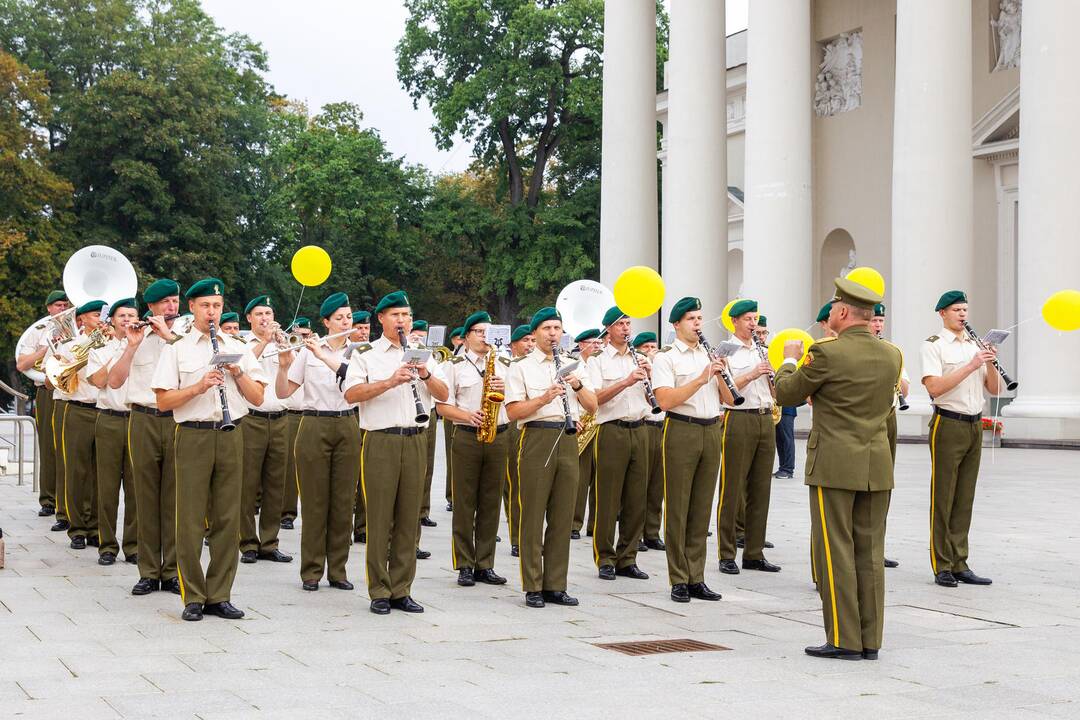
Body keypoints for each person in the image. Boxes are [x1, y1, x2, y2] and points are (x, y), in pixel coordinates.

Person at [774, 277, 902, 661]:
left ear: (843, 312)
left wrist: (789, 359)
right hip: (875, 463)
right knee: (870, 553)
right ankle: (870, 639)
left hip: (834, 463)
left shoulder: (825, 353)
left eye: (833, 307)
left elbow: (786, 392)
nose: (829, 312)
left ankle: (844, 639)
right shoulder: (892, 354)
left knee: (835, 552)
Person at [153, 278, 268, 622]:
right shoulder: (177, 349)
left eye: (217, 306)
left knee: (228, 517)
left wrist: (237, 372)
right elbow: (162, 401)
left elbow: (258, 397)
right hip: (193, 434)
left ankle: (220, 594)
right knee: (188, 518)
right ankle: (193, 595)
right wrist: (198, 386)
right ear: (193, 308)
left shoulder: (239, 346)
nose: (212, 312)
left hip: (232, 433)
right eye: (205, 306)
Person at [344, 290, 448, 615]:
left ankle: (402, 589)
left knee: (409, 517)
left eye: (406, 315)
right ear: (381, 319)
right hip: (381, 440)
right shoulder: (366, 354)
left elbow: (444, 395)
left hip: (416, 438)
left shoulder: (424, 354)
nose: (402, 321)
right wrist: (390, 381)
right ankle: (379, 589)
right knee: (379, 516)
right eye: (395, 315)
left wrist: (426, 374)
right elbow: (351, 394)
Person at [505, 307, 597, 608]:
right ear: (535, 333)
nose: (553, 334)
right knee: (532, 514)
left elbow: (593, 405)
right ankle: (533, 584)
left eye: (557, 328)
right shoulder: (520, 367)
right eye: (547, 328)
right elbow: (513, 412)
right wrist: (545, 397)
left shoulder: (572, 364)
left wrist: (578, 385)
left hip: (567, 437)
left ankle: (556, 584)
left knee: (562, 514)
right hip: (537, 436)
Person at [277, 292, 359, 591]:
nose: (346, 322)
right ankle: (311, 570)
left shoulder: (360, 352)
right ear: (326, 322)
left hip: (348, 422)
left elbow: (355, 382)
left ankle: (338, 570)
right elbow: (285, 392)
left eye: (348, 316)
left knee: (342, 501)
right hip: (314, 422)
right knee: (314, 501)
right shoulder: (308, 351)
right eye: (339, 318)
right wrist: (284, 365)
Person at [651, 297, 729, 604]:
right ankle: (678, 578)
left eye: (699, 318)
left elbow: (729, 399)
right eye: (691, 319)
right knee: (679, 507)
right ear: (676, 325)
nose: (698, 324)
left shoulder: (709, 354)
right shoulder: (666, 358)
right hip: (681, 428)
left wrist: (722, 375)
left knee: (701, 507)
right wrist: (701, 378)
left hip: (711, 428)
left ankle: (697, 576)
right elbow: (666, 400)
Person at [109, 279, 184, 596]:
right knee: (144, 497)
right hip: (142, 418)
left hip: (178, 418)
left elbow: (200, 367)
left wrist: (170, 339)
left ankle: (172, 571)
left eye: (175, 301)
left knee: (175, 499)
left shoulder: (184, 336)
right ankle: (148, 571)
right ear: (151, 307)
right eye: (165, 302)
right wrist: (131, 346)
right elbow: (114, 381)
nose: (171, 307)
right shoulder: (134, 335)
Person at [921, 290, 1000, 589]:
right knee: (943, 496)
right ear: (942, 313)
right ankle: (941, 564)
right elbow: (935, 388)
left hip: (974, 424)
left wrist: (990, 362)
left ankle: (960, 561)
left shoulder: (975, 346)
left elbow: (993, 389)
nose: (963, 315)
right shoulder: (934, 346)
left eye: (965, 309)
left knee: (965, 496)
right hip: (948, 422)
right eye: (956, 310)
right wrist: (971, 364)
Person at [436, 311, 510, 587]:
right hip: (467, 435)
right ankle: (465, 563)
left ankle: (485, 563)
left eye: (488, 332)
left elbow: (516, 402)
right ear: (466, 336)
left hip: (498, 434)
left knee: (491, 502)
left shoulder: (504, 362)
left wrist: (505, 387)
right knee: (465, 502)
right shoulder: (454, 365)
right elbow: (442, 406)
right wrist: (467, 416)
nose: (484, 336)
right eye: (479, 331)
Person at [587, 307, 652, 581]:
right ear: (608, 329)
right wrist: (626, 381)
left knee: (637, 498)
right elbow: (595, 398)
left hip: (640, 428)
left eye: (628, 323)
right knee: (608, 497)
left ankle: (628, 557)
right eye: (620, 324)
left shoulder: (640, 357)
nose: (626, 329)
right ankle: (605, 557)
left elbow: (654, 399)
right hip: (611, 430)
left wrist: (650, 376)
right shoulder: (597, 359)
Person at [716, 300, 780, 575]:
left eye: (755, 319)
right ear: (734, 322)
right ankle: (727, 553)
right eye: (747, 319)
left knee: (760, 488)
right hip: (739, 417)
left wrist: (773, 378)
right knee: (732, 488)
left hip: (766, 417)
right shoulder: (725, 351)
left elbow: (775, 392)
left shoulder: (764, 350)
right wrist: (753, 373)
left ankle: (754, 552)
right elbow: (725, 392)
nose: (753, 324)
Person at [239, 295, 293, 565]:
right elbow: (247, 366)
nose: (265, 319)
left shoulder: (281, 340)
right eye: (259, 314)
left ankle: (270, 542)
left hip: (281, 417)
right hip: (252, 419)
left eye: (269, 314)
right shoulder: (243, 344)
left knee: (276, 484)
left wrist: (286, 352)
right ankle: (248, 542)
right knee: (247, 483)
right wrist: (263, 341)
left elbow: (291, 375)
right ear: (249, 318)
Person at [86, 298, 139, 566]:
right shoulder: (100, 347)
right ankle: (107, 545)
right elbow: (98, 381)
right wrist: (123, 350)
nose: (128, 320)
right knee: (106, 486)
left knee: (136, 488)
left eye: (132, 315)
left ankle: (133, 545)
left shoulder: (145, 346)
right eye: (122, 316)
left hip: (137, 420)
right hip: (108, 418)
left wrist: (134, 346)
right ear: (113, 320)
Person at [55, 299, 107, 550]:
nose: (100, 319)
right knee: (77, 471)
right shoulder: (70, 345)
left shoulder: (112, 342)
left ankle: (96, 527)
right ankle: (77, 528)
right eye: (96, 315)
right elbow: (59, 379)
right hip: (78, 408)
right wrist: (87, 354)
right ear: (83, 319)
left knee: (102, 473)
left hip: (105, 411)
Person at [16, 289, 72, 518]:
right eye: (58, 305)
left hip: (72, 390)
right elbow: (22, 364)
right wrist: (46, 348)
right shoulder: (38, 331)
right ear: (48, 308)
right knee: (49, 446)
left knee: (69, 448)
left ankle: (67, 501)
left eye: (65, 305)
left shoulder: (76, 329)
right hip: (47, 391)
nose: (62, 309)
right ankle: (48, 499)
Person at [871, 303, 908, 569]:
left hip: (889, 416)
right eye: (874, 320)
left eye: (881, 320)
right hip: (867, 417)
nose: (878, 325)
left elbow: (904, 386)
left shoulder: (892, 351)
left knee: (884, 484)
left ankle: (877, 546)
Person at [632, 332, 666, 552]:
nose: (651, 350)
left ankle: (652, 532)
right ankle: (634, 535)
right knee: (639, 485)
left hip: (663, 426)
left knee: (657, 484)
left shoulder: (661, 367)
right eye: (646, 347)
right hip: (644, 426)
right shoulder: (635, 368)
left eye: (654, 346)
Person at [504, 324, 535, 558]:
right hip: (512, 426)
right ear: (513, 345)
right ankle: (516, 537)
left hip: (535, 427)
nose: (530, 345)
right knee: (515, 484)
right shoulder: (508, 366)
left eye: (532, 340)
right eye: (525, 341)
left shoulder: (537, 365)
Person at [281, 317, 312, 531]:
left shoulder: (315, 350)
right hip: (292, 413)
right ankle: (287, 513)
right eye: (299, 334)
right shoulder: (287, 348)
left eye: (306, 335)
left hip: (312, 414)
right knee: (290, 467)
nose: (302, 338)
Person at [572, 327, 602, 540]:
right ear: (581, 344)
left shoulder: (600, 363)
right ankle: (574, 523)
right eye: (594, 343)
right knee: (580, 478)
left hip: (600, 422)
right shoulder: (573, 365)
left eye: (600, 343)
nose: (598, 346)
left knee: (600, 479)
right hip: (581, 422)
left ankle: (595, 524)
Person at [411, 319, 439, 541]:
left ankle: (422, 511)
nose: (418, 338)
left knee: (425, 469)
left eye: (422, 335)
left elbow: (442, 391)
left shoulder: (427, 354)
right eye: (416, 334)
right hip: (396, 420)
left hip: (426, 414)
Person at [443, 325, 466, 512]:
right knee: (453, 455)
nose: (460, 341)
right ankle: (452, 495)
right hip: (456, 415)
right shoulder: (450, 361)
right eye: (458, 339)